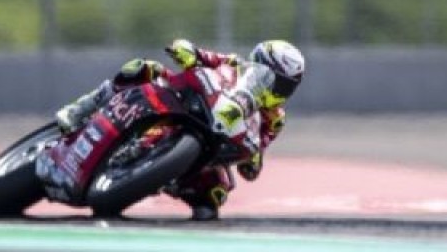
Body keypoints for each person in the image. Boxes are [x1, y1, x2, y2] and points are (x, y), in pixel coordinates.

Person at [54, 38, 306, 221]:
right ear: (257, 65)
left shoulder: (275, 119)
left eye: (285, 86)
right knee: (143, 68)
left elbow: (259, 150)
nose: (277, 90)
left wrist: (253, 158)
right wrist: (187, 51)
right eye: (272, 80)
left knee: (214, 197)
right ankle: (83, 108)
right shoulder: (233, 65)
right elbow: (203, 56)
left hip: (215, 144)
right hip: (190, 104)